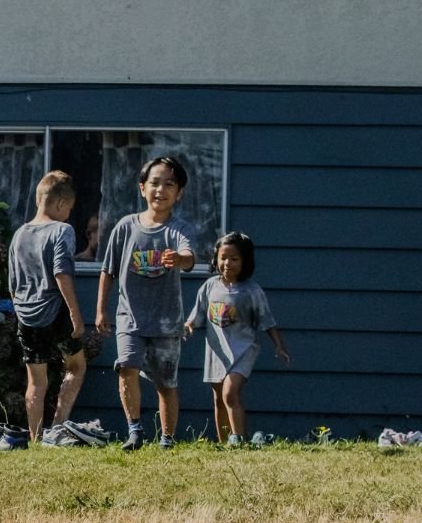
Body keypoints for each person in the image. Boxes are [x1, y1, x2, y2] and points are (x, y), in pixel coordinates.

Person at [95, 155, 196, 450]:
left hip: (166, 321)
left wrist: (179, 259)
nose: (160, 190)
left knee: (165, 383)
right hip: (130, 317)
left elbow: (189, 256)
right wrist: (101, 310)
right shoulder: (126, 227)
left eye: (169, 184)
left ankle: (167, 439)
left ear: (179, 193)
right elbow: (107, 271)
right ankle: (135, 430)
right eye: (154, 183)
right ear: (142, 187)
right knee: (126, 368)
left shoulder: (178, 229)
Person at [183, 231, 288, 445]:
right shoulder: (210, 287)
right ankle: (224, 443)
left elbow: (267, 321)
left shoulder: (251, 290)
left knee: (230, 393)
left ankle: (237, 439)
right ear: (215, 259)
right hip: (217, 351)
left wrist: (279, 346)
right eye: (223, 258)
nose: (227, 263)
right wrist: (188, 326)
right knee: (219, 399)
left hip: (243, 350)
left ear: (245, 261)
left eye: (234, 259)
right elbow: (197, 315)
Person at [7, 170, 85, 446]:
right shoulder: (62, 230)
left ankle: (35, 439)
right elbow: (62, 274)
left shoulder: (19, 234)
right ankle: (57, 428)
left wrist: (22, 312)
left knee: (36, 382)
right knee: (76, 366)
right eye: (70, 209)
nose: (69, 214)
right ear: (62, 203)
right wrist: (76, 316)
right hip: (55, 310)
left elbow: (13, 286)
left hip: (26, 315)